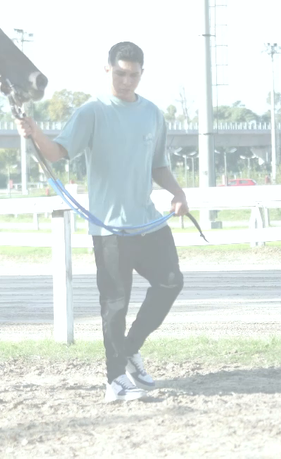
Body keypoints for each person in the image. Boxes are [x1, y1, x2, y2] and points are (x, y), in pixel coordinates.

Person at [14, 41, 188, 402]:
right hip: (109, 228)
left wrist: (178, 193)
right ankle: (115, 382)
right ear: (107, 70)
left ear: (142, 73)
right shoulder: (92, 112)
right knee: (115, 305)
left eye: (133, 75)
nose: (126, 81)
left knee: (171, 282)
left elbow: (158, 165)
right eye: (120, 73)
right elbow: (58, 152)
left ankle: (129, 351)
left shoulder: (153, 114)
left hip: (147, 222)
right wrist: (34, 133)